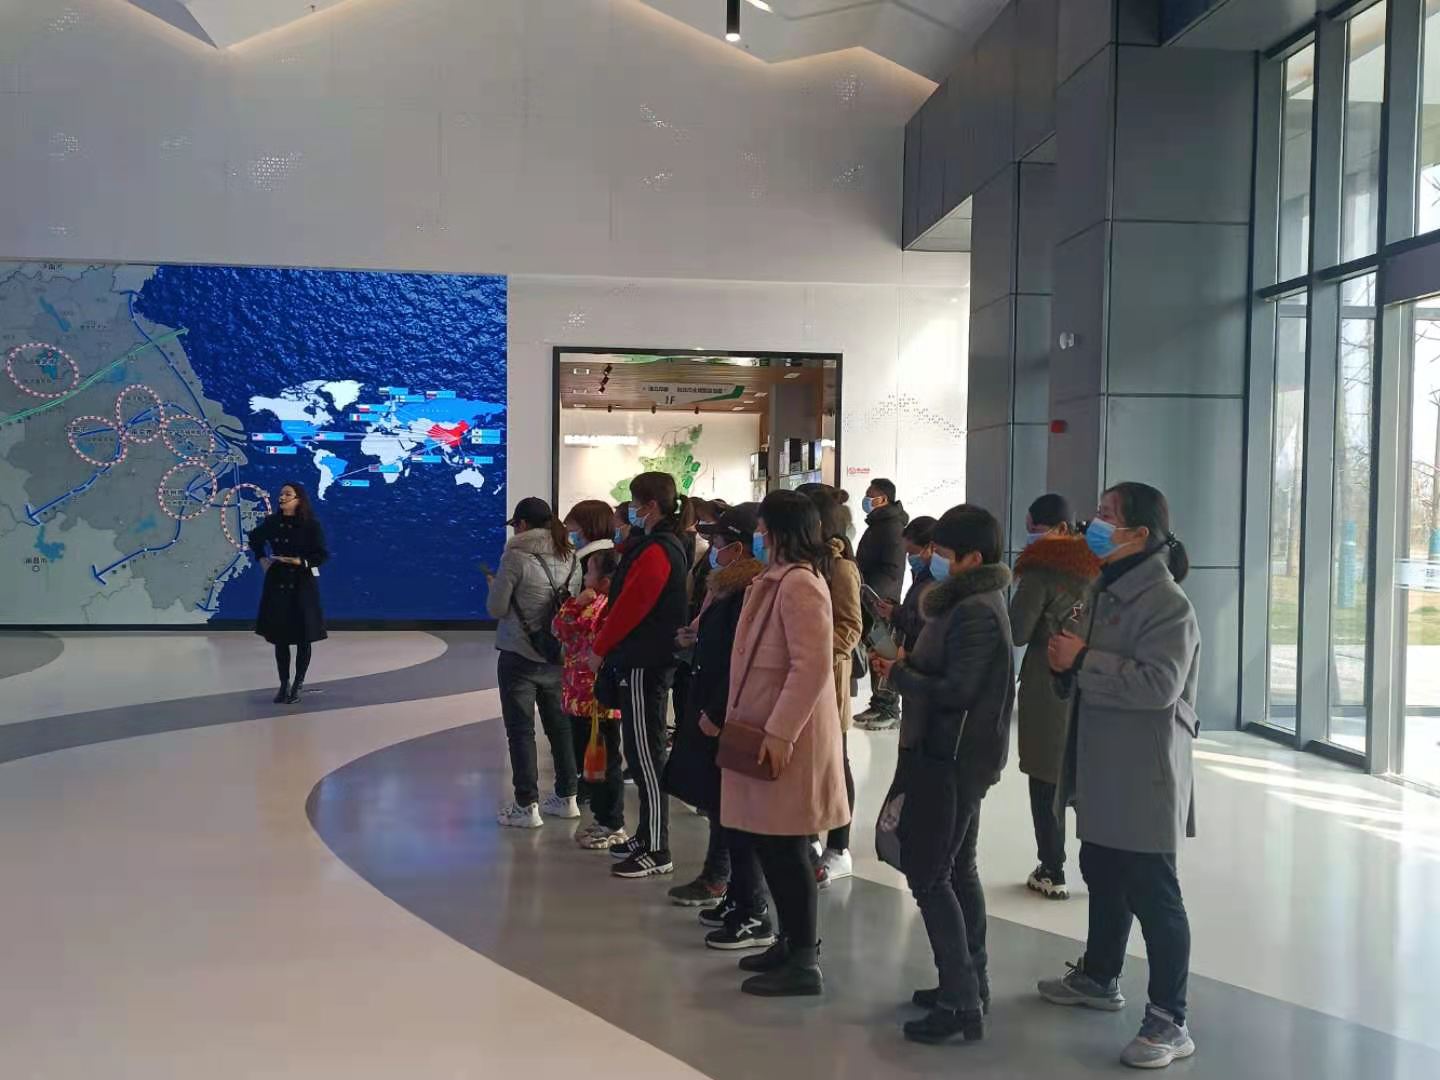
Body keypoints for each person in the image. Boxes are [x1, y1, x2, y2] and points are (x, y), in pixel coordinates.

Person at [1039, 482, 1200, 1071]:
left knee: (1154, 893)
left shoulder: (1167, 605)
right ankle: (1100, 976)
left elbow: (1159, 686)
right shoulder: (1103, 589)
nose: (1095, 525)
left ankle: (1169, 1019)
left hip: (1143, 770)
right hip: (1103, 763)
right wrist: (1065, 665)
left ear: (1139, 533)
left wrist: (1082, 659)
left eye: (1107, 516)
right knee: (1102, 871)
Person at [873, 504, 1014, 1045]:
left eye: (944, 553)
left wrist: (900, 673)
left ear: (973, 558)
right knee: (956, 869)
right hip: (951, 753)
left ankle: (960, 1001)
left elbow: (957, 691)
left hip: (950, 757)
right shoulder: (967, 602)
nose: (934, 560)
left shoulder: (974, 610)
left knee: (931, 874)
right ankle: (969, 982)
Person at [720, 491, 848, 997]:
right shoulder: (776, 580)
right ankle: (789, 940)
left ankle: (804, 959)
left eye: (762, 527)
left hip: (786, 739)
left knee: (789, 847)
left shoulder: (800, 585)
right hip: (766, 732)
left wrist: (779, 731)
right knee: (771, 844)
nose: (758, 535)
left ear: (778, 531)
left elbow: (811, 666)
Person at [662, 505, 771, 943]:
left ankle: (749, 903)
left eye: (720, 542)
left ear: (740, 547)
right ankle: (732, 891)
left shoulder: (752, 591)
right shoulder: (727, 587)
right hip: (710, 702)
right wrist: (696, 639)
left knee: (736, 811)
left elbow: (742, 659)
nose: (713, 549)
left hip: (725, 711)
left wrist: (719, 710)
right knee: (720, 805)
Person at [593, 472, 691, 879]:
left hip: (644, 663)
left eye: (635, 504)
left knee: (646, 756)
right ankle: (645, 834)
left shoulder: (657, 550)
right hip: (644, 659)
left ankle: (656, 847)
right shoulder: (660, 545)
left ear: (650, 506)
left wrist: (599, 648)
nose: (631, 511)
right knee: (639, 750)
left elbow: (631, 606)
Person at [1009, 494, 1099, 900]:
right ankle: (1099, 870)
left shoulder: (1041, 570)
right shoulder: (1100, 567)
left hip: (1048, 683)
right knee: (1088, 777)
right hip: (1094, 680)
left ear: (1059, 528)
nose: (1031, 535)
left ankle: (1052, 867)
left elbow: (1018, 631)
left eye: (1035, 528)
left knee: (1046, 777)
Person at [487, 497, 580, 829]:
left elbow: (496, 608)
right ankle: (567, 797)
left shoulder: (515, 557)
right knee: (560, 727)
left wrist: (496, 588)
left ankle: (527, 805)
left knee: (521, 731)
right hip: (557, 655)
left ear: (523, 525)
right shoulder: (572, 557)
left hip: (518, 654)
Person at [798, 486, 864, 887]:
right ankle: (807, 837)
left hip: (827, 681)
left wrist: (813, 656)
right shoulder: (799, 564)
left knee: (836, 764)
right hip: (797, 681)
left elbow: (850, 627)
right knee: (804, 766)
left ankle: (839, 847)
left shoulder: (841, 569)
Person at [562, 499, 620, 824]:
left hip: (588, 688)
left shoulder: (592, 568)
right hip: (593, 686)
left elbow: (563, 625)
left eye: (573, 526)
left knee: (596, 749)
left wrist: (574, 604)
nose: (570, 533)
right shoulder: (605, 557)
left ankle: (605, 815)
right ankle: (602, 809)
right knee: (598, 747)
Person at [249, 482, 329, 705]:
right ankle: (283, 684)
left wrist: (301, 562)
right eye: (281, 494)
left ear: (298, 499)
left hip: (301, 583)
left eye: (287, 494)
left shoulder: (311, 525)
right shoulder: (272, 522)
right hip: (278, 582)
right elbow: (255, 538)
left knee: (303, 636)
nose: (282, 497)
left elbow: (321, 555)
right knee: (280, 637)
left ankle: (297, 684)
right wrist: (261, 558)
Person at [861, 515, 939, 731]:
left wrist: (895, 613)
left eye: (912, 552)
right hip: (910, 646)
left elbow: (923, 620)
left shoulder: (935, 581)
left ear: (931, 547)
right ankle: (882, 703)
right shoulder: (922, 574)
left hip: (918, 653)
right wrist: (895, 610)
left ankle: (888, 707)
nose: (909, 558)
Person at [854, 478, 909, 727]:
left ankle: (888, 707)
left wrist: (874, 596)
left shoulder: (891, 527)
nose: (866, 499)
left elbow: (891, 570)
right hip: (872, 597)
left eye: (870, 495)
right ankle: (879, 703)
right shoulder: (879, 524)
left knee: (884, 650)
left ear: (883, 498)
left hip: (880, 601)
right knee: (876, 651)